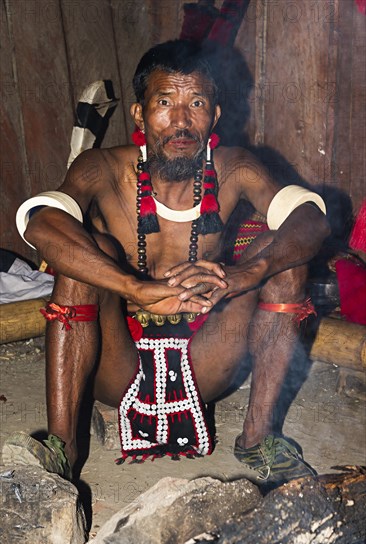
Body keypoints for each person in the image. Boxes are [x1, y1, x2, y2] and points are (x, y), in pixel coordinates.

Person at [3, 40, 329, 488]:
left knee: (282, 255)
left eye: (196, 103)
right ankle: (63, 447)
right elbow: (41, 224)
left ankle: (259, 438)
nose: (181, 120)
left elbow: (310, 220)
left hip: (206, 360)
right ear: (139, 115)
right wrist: (131, 288)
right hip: (116, 365)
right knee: (85, 251)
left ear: (213, 116)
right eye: (164, 103)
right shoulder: (100, 168)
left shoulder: (236, 168)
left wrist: (244, 275)